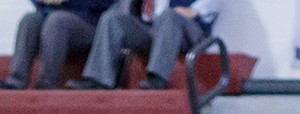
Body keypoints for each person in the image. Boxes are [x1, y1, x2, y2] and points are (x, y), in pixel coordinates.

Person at [67, 0, 224, 91]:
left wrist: (195, 9)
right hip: (155, 27)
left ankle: (158, 78)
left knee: (169, 16)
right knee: (112, 19)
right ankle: (98, 79)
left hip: (189, 28)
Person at [0, 0, 118, 90]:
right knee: (29, 20)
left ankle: (46, 84)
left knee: (56, 21)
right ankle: (17, 81)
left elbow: (106, 3)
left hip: (91, 23)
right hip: (52, 16)